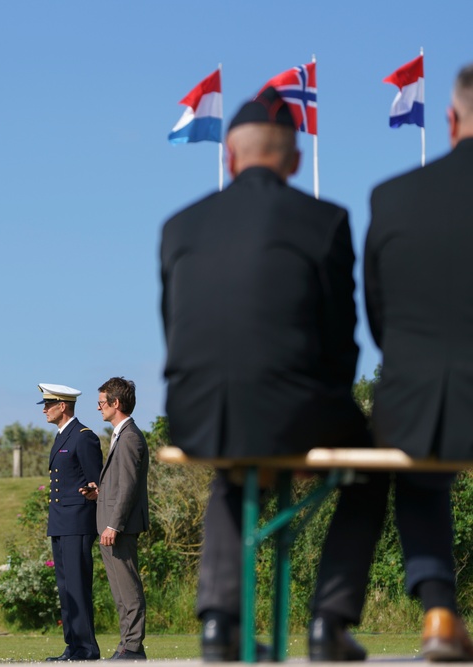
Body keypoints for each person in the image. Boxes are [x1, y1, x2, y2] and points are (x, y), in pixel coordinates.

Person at [159, 87, 387, 662]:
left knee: (232, 468)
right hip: (297, 406)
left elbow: (174, 327)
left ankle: (218, 623)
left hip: (197, 410)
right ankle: (329, 622)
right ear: (295, 161)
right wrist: (330, 407)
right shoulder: (325, 219)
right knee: (373, 466)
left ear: (230, 158)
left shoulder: (179, 226)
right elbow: (341, 337)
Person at [362, 63, 473, 661]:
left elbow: (381, 317)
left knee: (420, 479)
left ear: (451, 120)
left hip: (418, 396)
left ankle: (437, 611)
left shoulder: (394, 197)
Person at [80, 377, 149, 660]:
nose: (98, 409)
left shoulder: (131, 437)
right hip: (110, 523)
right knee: (119, 590)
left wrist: (113, 524)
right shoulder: (119, 435)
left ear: (115, 403)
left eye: (100, 403)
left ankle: (133, 647)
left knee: (128, 587)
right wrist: (99, 493)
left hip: (119, 527)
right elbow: (118, 483)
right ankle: (126, 645)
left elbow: (130, 487)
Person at [37, 383, 103, 662]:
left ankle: (87, 647)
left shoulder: (83, 437)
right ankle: (73, 645)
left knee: (77, 586)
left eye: (48, 405)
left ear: (62, 406)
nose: (44, 410)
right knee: (65, 588)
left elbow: (98, 484)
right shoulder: (63, 437)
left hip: (77, 521)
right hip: (61, 523)